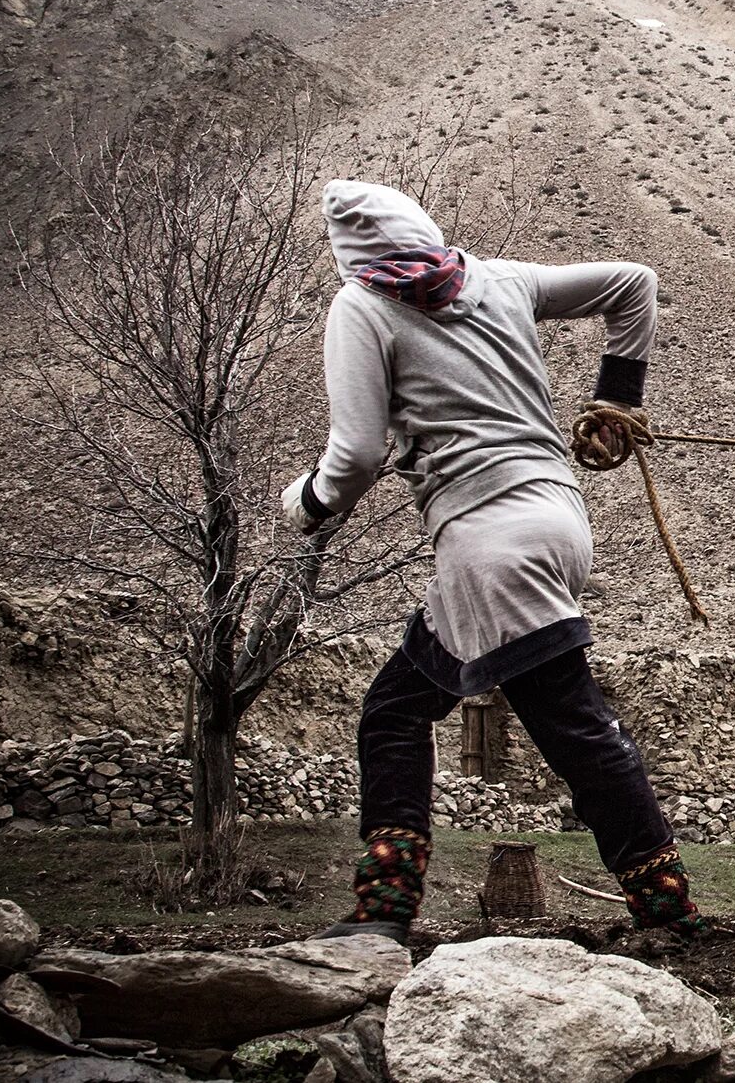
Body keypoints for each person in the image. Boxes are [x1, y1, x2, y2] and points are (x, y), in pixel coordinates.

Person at [282, 179, 703, 942]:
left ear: (353, 256)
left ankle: (663, 902)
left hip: (487, 540)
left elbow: (354, 456)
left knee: (570, 725)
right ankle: (386, 905)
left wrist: (306, 504)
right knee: (399, 708)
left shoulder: (363, 306)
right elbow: (633, 284)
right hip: (557, 520)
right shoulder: (497, 276)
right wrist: (616, 397)